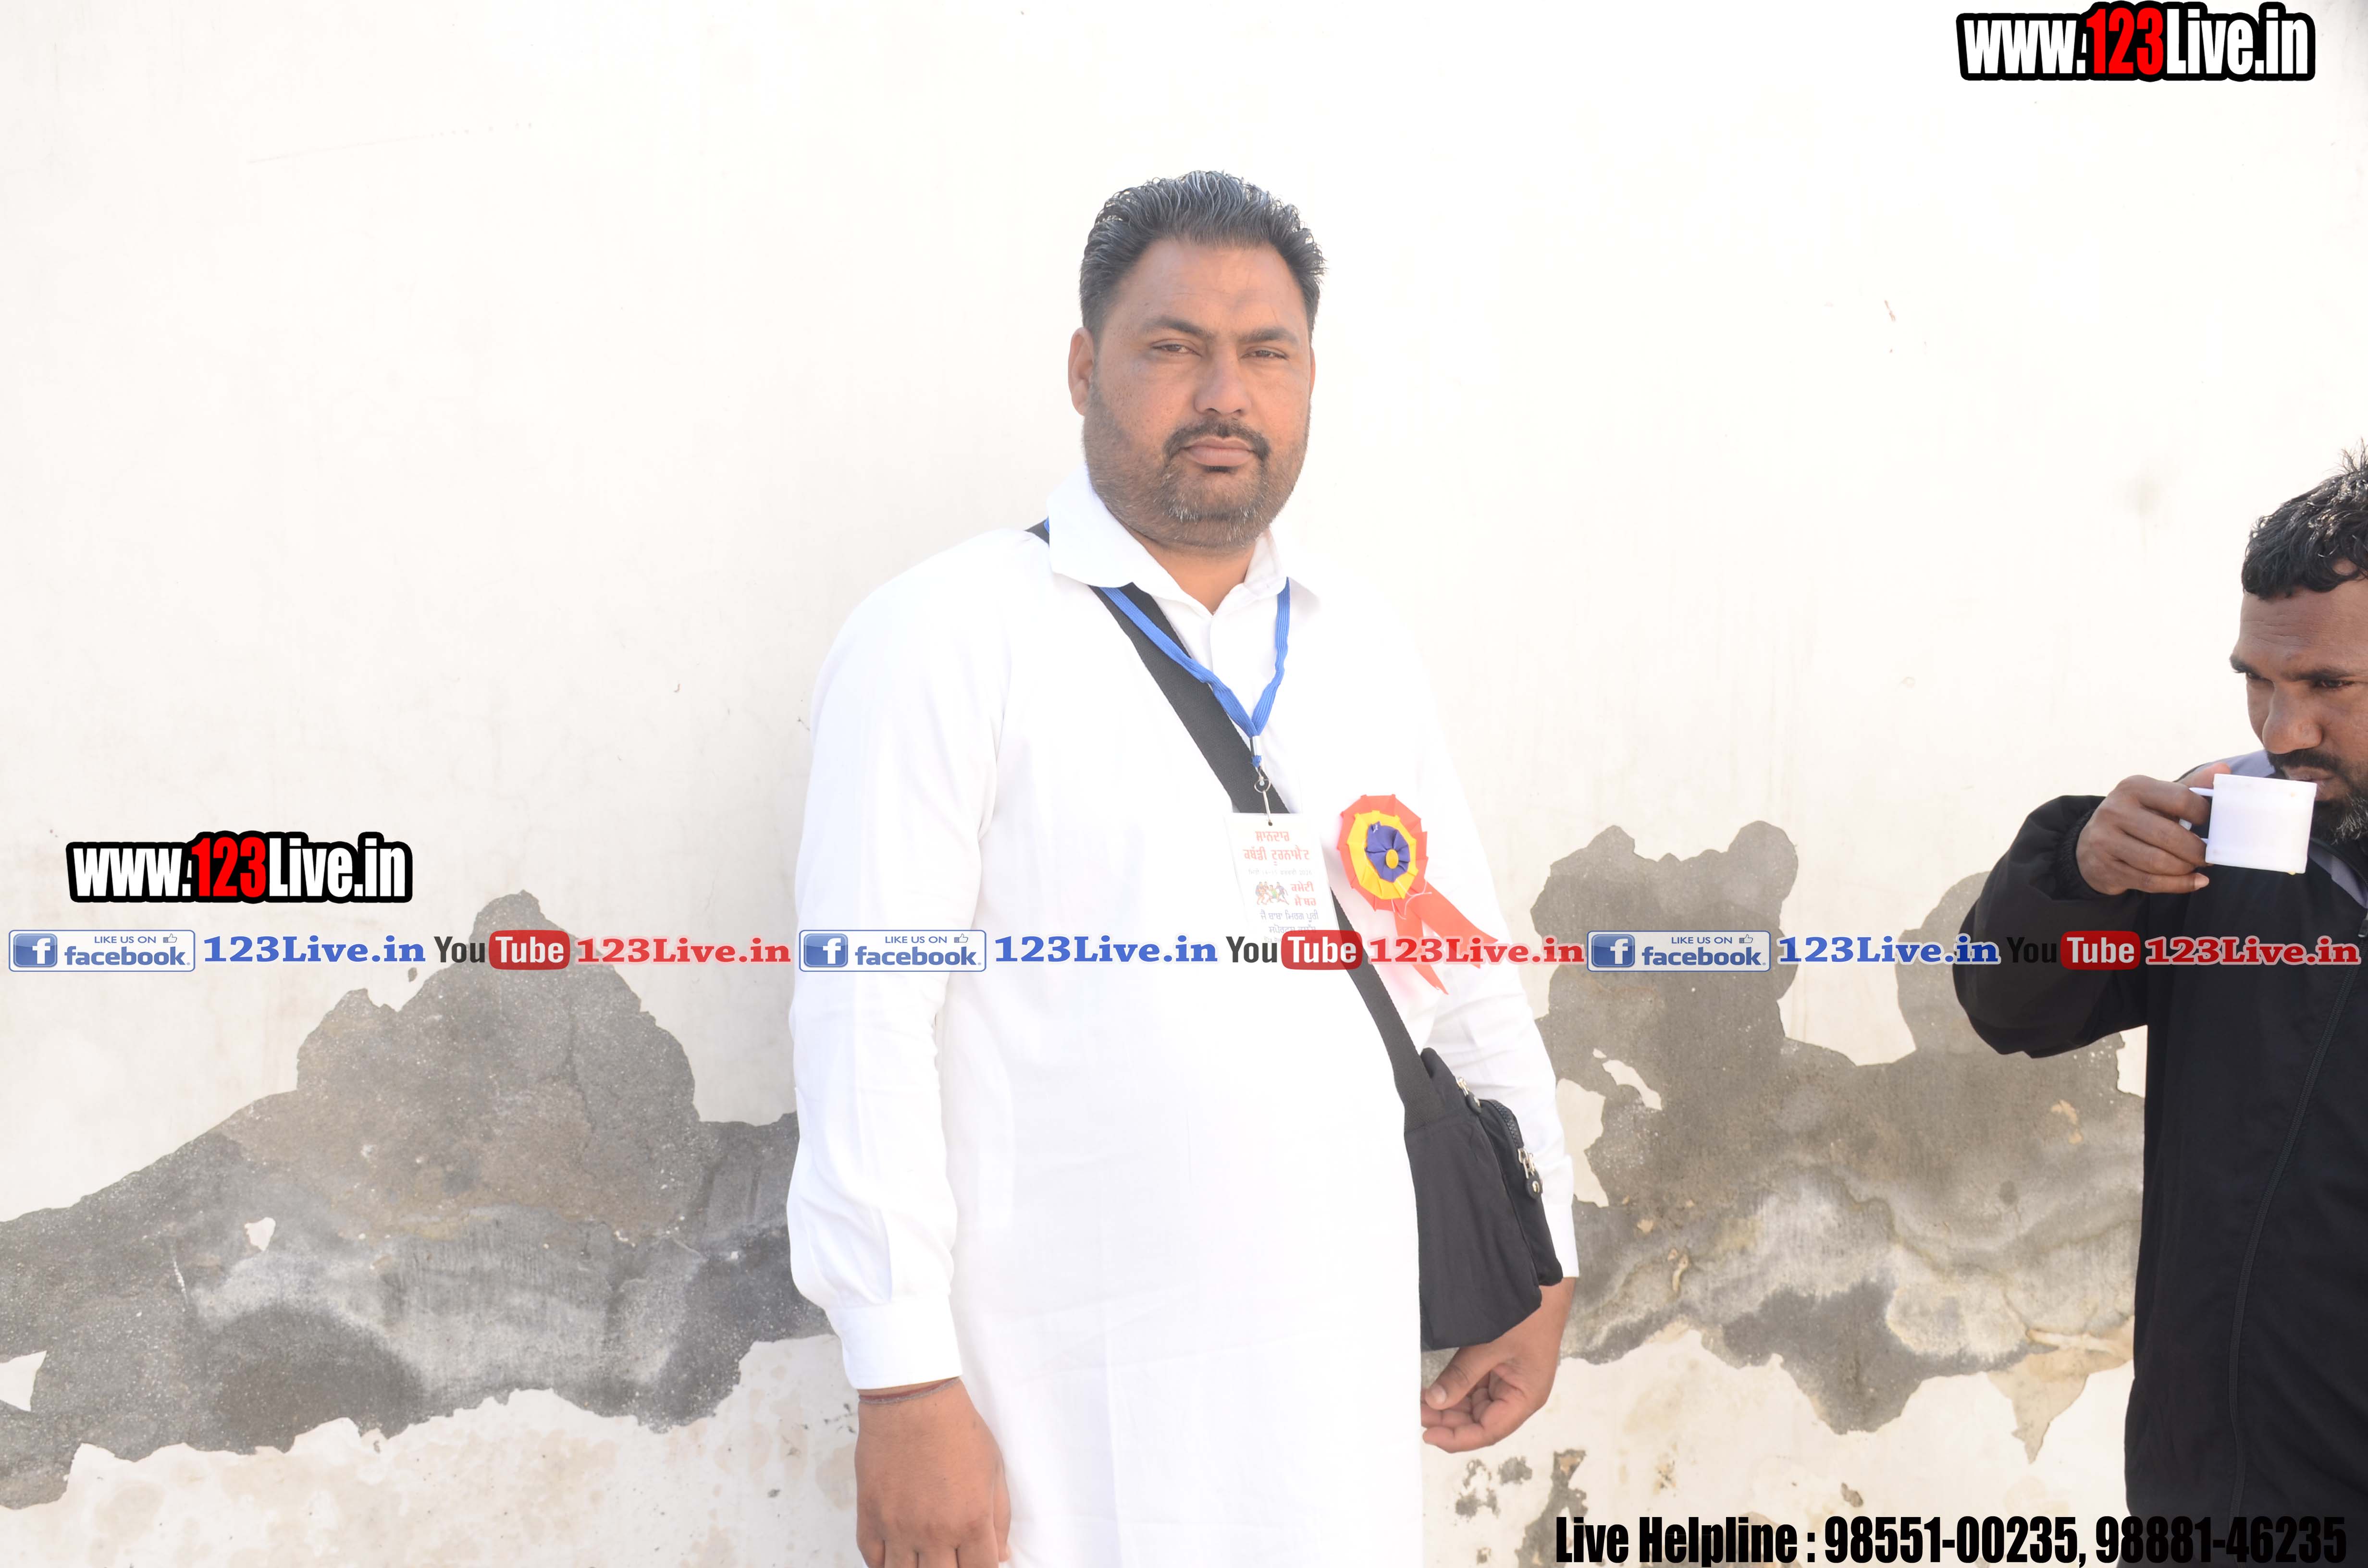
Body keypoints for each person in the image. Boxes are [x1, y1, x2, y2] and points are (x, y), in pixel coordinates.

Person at [784, 172, 1579, 1567]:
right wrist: (902, 1380)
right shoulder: (948, 636)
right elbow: (868, 1015)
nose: (1225, 393)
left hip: (1333, 1393)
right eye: (1173, 347)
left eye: (1266, 352)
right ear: (1083, 369)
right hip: (1061, 1405)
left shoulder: (1355, 641)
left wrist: (1542, 1253)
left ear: (1309, 379)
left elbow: (1458, 965)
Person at [1956, 449, 2368, 1517]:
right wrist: (2075, 876)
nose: (2282, 731)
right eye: (2257, 680)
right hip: (2210, 1497)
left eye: (2328, 686)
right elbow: (2008, 1007)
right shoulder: (2223, 827)